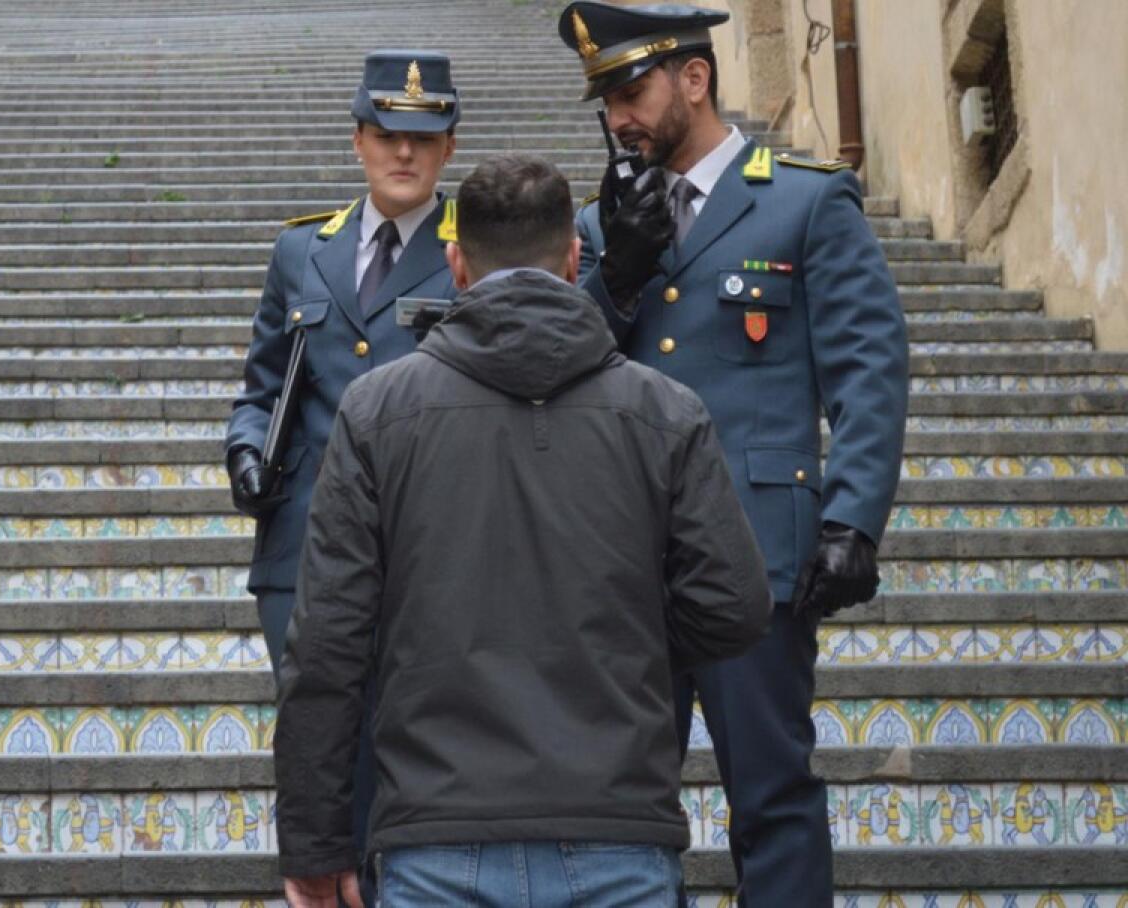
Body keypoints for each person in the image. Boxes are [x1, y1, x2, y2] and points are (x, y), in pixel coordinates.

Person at [274, 153, 773, 908]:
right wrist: (622, 636)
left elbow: (326, 643)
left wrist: (315, 839)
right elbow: (735, 604)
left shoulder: (377, 412)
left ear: (454, 265)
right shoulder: (664, 410)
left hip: (436, 836)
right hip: (618, 827)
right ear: (576, 260)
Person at [557, 3, 911, 905]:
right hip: (624, 559)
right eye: (606, 103)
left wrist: (852, 518)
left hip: (760, 551)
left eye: (632, 92)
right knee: (623, 803)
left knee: (773, 791)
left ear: (696, 79)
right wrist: (617, 277)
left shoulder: (803, 198)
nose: (619, 119)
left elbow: (868, 366)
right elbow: (563, 372)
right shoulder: (603, 226)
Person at [223, 48, 461, 904]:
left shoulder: (471, 254)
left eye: (424, 137)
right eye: (389, 134)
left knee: (405, 746)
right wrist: (246, 452)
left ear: (449, 148)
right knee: (319, 741)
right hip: (303, 545)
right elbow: (259, 387)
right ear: (360, 139)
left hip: (421, 547)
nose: (406, 153)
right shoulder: (302, 252)